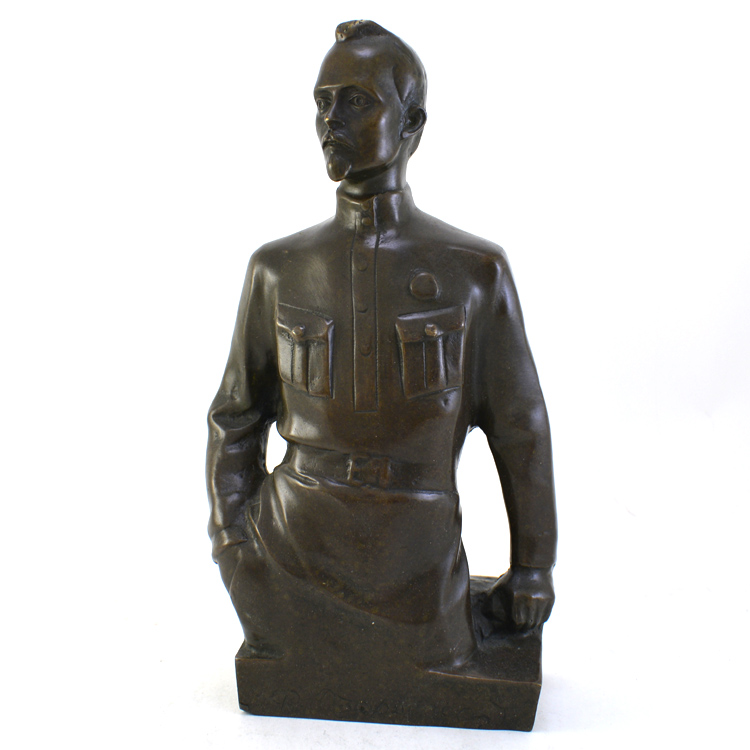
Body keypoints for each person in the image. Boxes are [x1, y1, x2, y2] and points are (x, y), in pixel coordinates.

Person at [207, 20, 556, 674]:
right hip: (286, 562)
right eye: (322, 102)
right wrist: (232, 542)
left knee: (445, 671)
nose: (330, 119)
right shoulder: (278, 270)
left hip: (419, 576)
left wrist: (534, 566)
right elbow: (235, 418)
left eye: (356, 101)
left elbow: (521, 428)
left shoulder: (474, 273)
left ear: (411, 123)